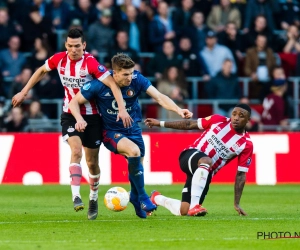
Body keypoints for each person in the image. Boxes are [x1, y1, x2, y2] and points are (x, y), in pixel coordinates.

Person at [11, 28, 132, 220]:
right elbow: (41, 70)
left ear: (84, 46)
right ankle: (76, 197)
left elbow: (112, 84)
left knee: (92, 163)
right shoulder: (59, 59)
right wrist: (24, 92)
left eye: (77, 46)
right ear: (66, 46)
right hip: (70, 113)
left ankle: (93, 197)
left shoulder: (90, 63)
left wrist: (122, 109)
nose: (73, 49)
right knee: (76, 151)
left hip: (93, 117)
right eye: (70, 46)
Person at [69, 53, 193, 219]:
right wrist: (78, 119)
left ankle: (135, 197)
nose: (130, 77)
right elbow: (73, 102)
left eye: (132, 73)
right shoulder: (99, 84)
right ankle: (143, 197)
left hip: (133, 129)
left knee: (137, 166)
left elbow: (159, 97)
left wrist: (178, 110)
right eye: (126, 74)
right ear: (115, 73)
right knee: (133, 152)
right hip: (110, 132)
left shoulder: (137, 79)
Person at [144, 104, 253, 216]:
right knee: (206, 160)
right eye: (234, 114)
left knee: (184, 211)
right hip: (190, 156)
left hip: (204, 175)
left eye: (241, 116)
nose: (236, 118)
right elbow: (189, 124)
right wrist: (160, 123)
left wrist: (237, 203)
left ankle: (156, 198)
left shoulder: (246, 144)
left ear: (248, 120)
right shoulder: (218, 120)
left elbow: (241, 174)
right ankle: (195, 206)